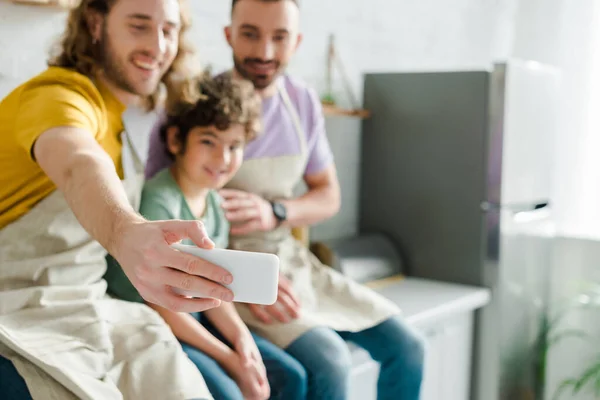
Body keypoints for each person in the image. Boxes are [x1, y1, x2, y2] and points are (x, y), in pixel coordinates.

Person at [145, 0, 426, 399]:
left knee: (408, 348)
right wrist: (250, 281)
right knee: (329, 360)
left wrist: (276, 212)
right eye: (250, 34)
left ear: (296, 42)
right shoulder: (198, 105)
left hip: (292, 262)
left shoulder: (303, 103)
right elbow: (165, 212)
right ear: (229, 35)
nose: (264, 52)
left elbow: (328, 197)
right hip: (230, 271)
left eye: (279, 37)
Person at [0, 0, 235, 398]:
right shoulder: (56, 97)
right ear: (95, 22)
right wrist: (126, 231)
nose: (158, 47)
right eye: (139, 26)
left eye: (169, 30)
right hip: (17, 309)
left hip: (92, 302)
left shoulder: (118, 120)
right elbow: (78, 163)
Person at [104, 72, 307, 400]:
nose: (222, 159)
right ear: (175, 141)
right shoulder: (161, 200)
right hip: (153, 321)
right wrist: (229, 359)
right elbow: (164, 308)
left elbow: (218, 287)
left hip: (195, 316)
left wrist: (242, 340)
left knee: (290, 377)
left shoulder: (214, 202)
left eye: (234, 146)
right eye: (208, 141)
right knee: (229, 392)